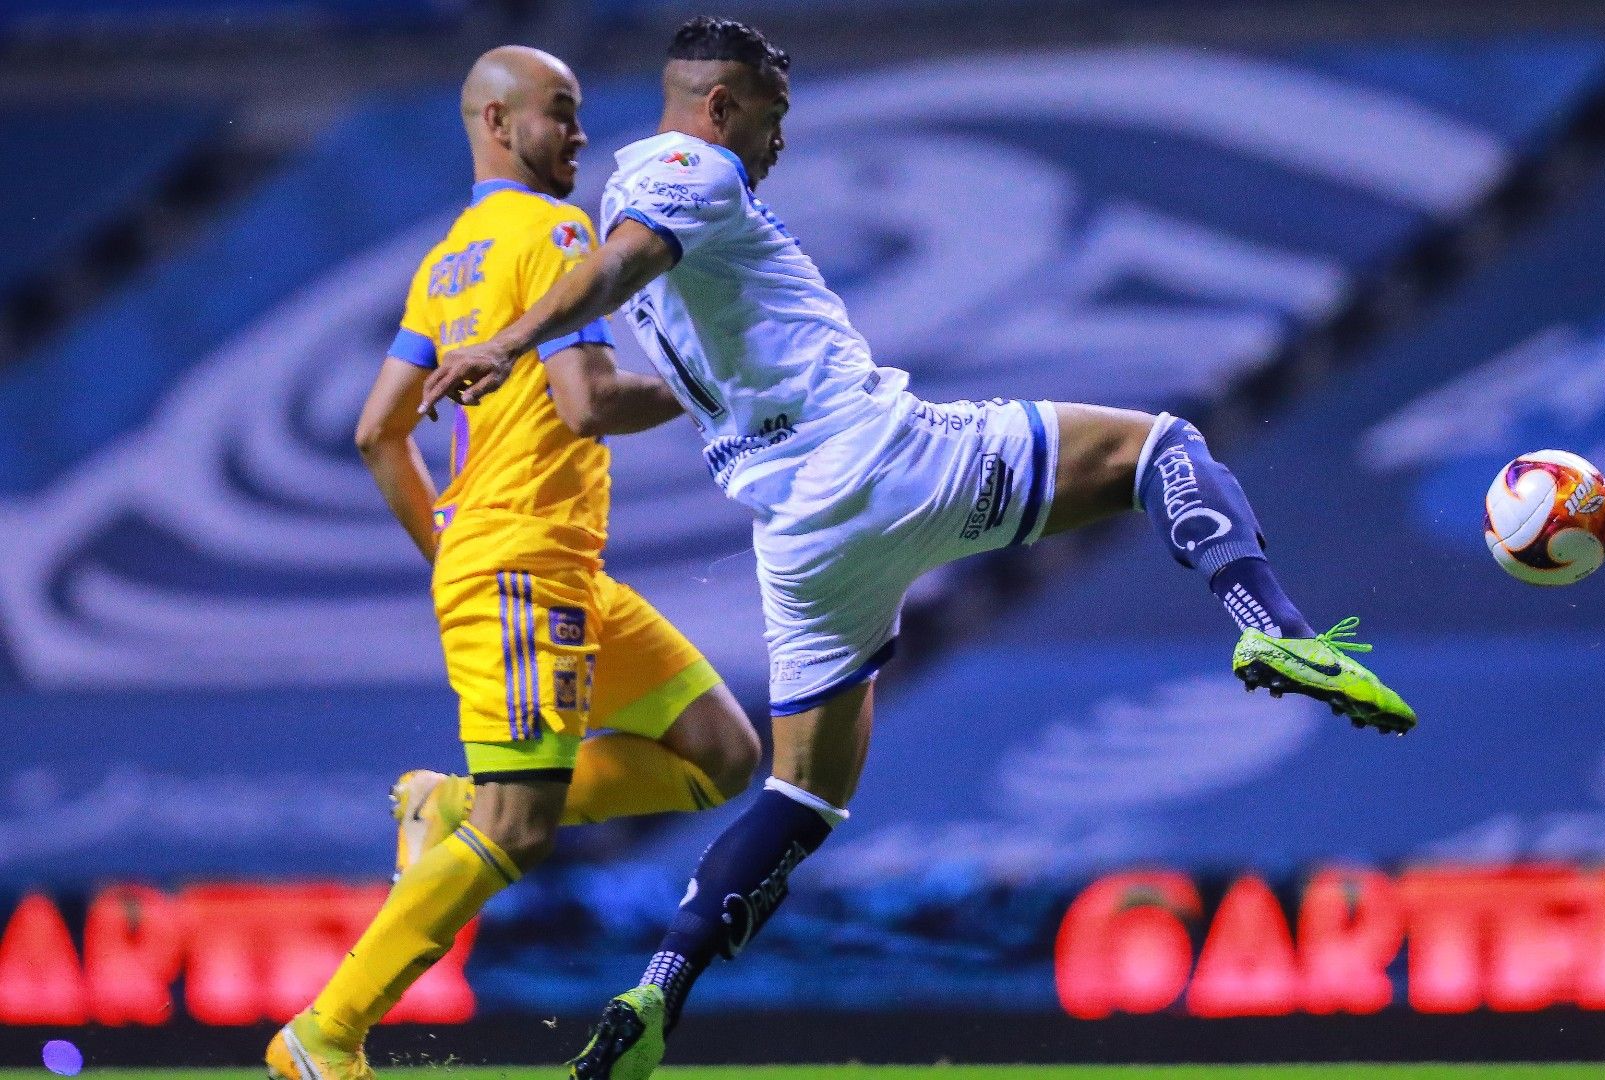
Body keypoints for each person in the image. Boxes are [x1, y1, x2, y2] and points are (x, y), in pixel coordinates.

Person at [425, 18, 1417, 1079]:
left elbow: (625, 366)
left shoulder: (647, 194)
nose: (779, 141)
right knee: (1159, 447)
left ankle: (656, 990)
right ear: (720, 107)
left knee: (805, 795)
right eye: (772, 117)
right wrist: (506, 338)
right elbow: (622, 268)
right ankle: (1275, 630)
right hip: (884, 461)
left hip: (800, 539)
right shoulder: (689, 170)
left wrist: (718, 383)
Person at [265, 45, 760, 1080]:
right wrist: (727, 389)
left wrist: (449, 551)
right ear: (497, 123)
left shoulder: (449, 256)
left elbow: (374, 433)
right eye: (560, 114)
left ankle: (450, 805)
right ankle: (326, 1034)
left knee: (721, 754)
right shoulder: (557, 231)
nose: (579, 135)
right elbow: (590, 403)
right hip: (528, 566)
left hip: (552, 569)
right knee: (520, 832)